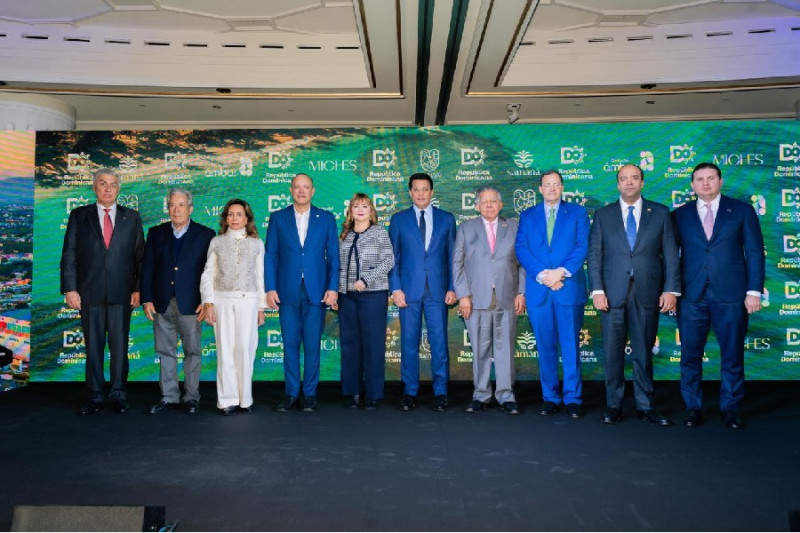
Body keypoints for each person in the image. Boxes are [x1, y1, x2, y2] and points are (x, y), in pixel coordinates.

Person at [673, 162, 764, 430]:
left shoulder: (742, 211)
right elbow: (669, 257)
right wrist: (671, 290)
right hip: (691, 296)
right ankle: (692, 407)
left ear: (720, 181)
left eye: (710, 178)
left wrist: (753, 291)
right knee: (690, 354)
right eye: (699, 179)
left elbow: (755, 253)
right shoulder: (680, 215)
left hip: (732, 295)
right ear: (692, 185)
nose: (705, 183)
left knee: (733, 355)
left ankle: (731, 408)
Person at [587, 163, 680, 426]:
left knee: (643, 352)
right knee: (612, 354)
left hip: (648, 293)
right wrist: (596, 289)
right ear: (617, 184)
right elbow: (595, 256)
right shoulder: (603, 215)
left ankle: (645, 406)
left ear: (642, 182)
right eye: (624, 179)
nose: (629, 182)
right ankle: (613, 405)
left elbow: (671, 255)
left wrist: (670, 289)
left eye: (634, 178)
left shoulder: (660, 213)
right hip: (611, 295)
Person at [60, 168, 144, 415]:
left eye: (113, 184)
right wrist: (70, 289)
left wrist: (138, 289)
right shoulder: (79, 216)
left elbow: (140, 257)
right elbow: (69, 255)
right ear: (94, 187)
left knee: (119, 349)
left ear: (119, 188)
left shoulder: (132, 217)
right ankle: (95, 395)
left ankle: (118, 394)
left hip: (122, 293)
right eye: (103, 183)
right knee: (93, 348)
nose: (108, 188)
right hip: (88, 293)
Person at [515, 171, 589, 418]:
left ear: (562, 187)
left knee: (569, 345)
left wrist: (560, 272)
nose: (552, 188)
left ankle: (573, 398)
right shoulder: (527, 215)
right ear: (540, 188)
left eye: (556, 184)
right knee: (545, 346)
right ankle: (550, 397)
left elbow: (582, 246)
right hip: (539, 289)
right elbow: (521, 248)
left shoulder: (578, 213)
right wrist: (543, 275)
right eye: (547, 184)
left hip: (568, 287)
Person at [265, 173, 339, 412]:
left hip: (317, 292)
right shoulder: (278, 218)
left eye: (306, 187)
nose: (301, 191)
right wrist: (270, 287)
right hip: (287, 291)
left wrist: (332, 288)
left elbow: (334, 258)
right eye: (297, 187)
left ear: (313, 191)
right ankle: (290, 394)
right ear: (291, 189)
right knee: (289, 345)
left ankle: (309, 394)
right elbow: (271, 255)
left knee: (312, 345)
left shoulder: (326, 218)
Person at [140, 188, 215, 415]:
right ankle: (169, 396)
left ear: (190, 208)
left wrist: (208, 301)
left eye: (181, 205)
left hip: (192, 304)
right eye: (172, 204)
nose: (176, 209)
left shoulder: (206, 234)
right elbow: (147, 269)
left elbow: (211, 272)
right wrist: (146, 299)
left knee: (193, 352)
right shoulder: (156, 233)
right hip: (162, 302)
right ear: (168, 208)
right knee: (165, 352)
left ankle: (191, 397)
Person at [454, 186, 525, 415]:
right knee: (480, 349)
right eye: (484, 202)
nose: (489, 205)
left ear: (501, 204)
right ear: (476, 206)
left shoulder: (513, 226)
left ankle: (506, 395)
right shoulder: (466, 228)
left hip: (507, 296)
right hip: (476, 300)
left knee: (505, 350)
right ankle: (481, 394)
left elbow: (523, 263)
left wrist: (521, 292)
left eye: (493, 201)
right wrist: (463, 295)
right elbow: (457, 264)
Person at [388, 172, 457, 412]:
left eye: (425, 189)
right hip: (408, 292)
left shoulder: (447, 219)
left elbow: (452, 258)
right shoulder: (398, 220)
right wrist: (395, 288)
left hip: (438, 291)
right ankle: (409, 392)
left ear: (432, 191)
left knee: (439, 343)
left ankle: (441, 393)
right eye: (416, 189)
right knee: (408, 343)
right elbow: (393, 259)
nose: (420, 193)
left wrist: (452, 287)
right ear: (409, 192)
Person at [200, 199, 266, 415]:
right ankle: (226, 399)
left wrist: (261, 307)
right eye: (230, 214)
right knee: (225, 350)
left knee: (245, 350)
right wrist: (208, 302)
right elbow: (208, 274)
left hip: (248, 301)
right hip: (222, 300)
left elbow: (260, 277)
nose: (234, 218)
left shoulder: (257, 244)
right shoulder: (216, 242)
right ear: (225, 218)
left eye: (239, 214)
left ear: (247, 218)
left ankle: (245, 399)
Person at [337, 193, 395, 409]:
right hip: (347, 297)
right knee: (350, 344)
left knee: (372, 345)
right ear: (350, 211)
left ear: (371, 211)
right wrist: (338, 291)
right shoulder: (344, 235)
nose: (360, 210)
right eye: (356, 206)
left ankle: (372, 394)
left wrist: (366, 280)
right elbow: (339, 266)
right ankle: (353, 391)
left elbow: (389, 260)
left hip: (373, 296)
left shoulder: (379, 232)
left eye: (365, 206)